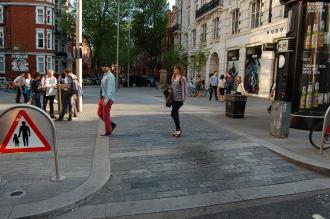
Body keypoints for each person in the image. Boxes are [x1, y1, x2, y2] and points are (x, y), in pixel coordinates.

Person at [97, 63, 117, 136]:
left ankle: (108, 131)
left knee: (106, 115)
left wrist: (106, 100)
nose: (104, 68)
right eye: (103, 67)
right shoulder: (105, 75)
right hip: (103, 97)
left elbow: (109, 89)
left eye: (106, 67)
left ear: (109, 68)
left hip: (108, 98)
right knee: (99, 113)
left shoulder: (110, 76)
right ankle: (111, 124)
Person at [170, 64, 187, 137]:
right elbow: (172, 87)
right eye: (174, 69)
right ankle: (177, 130)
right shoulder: (173, 77)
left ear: (179, 70)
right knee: (176, 114)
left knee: (173, 113)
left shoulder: (182, 78)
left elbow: (185, 88)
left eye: (175, 69)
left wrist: (184, 98)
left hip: (179, 99)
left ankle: (179, 129)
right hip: (173, 99)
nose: (174, 70)